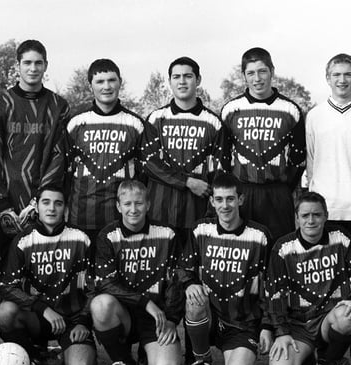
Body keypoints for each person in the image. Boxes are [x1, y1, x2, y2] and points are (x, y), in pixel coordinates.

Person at [178, 173, 271, 365]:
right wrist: (189, 284)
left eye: (230, 199)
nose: (225, 205)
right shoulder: (201, 229)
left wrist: (266, 326)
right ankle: (202, 360)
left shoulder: (259, 235)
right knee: (194, 299)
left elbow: (270, 288)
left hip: (242, 322)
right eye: (219, 199)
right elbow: (184, 268)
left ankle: (243, 353)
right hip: (209, 315)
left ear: (240, 199)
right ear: (212, 201)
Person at [0, 185, 96, 365]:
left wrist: (83, 321)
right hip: (37, 317)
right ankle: (32, 353)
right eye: (46, 202)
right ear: (36, 207)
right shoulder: (23, 240)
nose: (52, 208)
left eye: (58, 204)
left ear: (65, 209)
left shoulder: (81, 239)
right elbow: (7, 286)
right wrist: (42, 308)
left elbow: (94, 287)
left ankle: (67, 353)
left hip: (72, 319)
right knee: (5, 312)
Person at [91, 179, 183, 365]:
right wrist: (144, 302)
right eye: (127, 204)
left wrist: (172, 320)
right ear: (118, 206)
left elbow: (176, 282)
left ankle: (146, 352)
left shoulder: (167, 234)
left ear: (148, 204)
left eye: (139, 203)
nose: (133, 209)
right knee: (100, 304)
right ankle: (122, 360)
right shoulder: (108, 236)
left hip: (155, 320)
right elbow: (105, 283)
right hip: (124, 314)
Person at [0, 40, 69, 244]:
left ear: (46, 65)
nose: (33, 68)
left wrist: (38, 201)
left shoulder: (58, 106)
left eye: (38, 63)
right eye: (27, 62)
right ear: (18, 66)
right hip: (3, 204)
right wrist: (3, 204)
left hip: (40, 206)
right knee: (1, 269)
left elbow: (59, 156)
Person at [221, 47, 305, 242]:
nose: (257, 78)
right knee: (242, 249)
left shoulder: (290, 109)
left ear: (272, 72)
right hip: (242, 191)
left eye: (262, 71)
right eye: (250, 73)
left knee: (279, 250)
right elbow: (223, 156)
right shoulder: (230, 109)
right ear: (244, 76)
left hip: (277, 193)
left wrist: (283, 186)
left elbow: (298, 157)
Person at [266, 192, 351, 365]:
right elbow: (274, 294)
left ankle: (329, 358)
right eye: (305, 215)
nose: (311, 220)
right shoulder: (283, 248)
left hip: (328, 319)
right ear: (296, 218)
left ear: (326, 216)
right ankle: (306, 359)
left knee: (347, 317)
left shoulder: (341, 238)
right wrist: (281, 333)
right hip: (299, 324)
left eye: (317, 215)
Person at [144, 56, 224, 245]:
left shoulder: (213, 122)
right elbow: (149, 163)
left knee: (193, 270)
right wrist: (187, 181)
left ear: (198, 80)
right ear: (169, 81)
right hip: (160, 210)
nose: (182, 81)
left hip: (197, 211)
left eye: (188, 76)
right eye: (176, 76)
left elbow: (219, 169)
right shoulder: (156, 118)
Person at [66, 59, 146, 244]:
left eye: (112, 80)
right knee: (83, 272)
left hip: (122, 218)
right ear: (90, 86)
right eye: (100, 81)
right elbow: (64, 170)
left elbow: (144, 175)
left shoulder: (135, 124)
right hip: (82, 216)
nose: (107, 86)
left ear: (120, 82)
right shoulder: (76, 123)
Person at [306, 53, 351, 233]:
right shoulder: (315, 116)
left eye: (348, 74)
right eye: (336, 75)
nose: (342, 80)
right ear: (328, 78)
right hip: (325, 208)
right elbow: (311, 160)